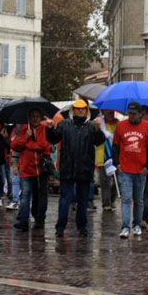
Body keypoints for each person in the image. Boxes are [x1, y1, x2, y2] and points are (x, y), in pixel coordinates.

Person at [47, 99, 105, 238]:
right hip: (68, 168)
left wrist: (98, 129)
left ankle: (82, 227)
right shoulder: (64, 124)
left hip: (85, 168)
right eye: (78, 109)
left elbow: (99, 141)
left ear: (87, 111)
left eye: (83, 109)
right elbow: (53, 139)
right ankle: (60, 227)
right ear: (73, 110)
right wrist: (49, 129)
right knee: (65, 199)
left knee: (83, 200)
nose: (80, 111)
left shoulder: (92, 126)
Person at [112, 102, 148, 238]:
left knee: (139, 200)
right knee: (126, 199)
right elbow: (115, 146)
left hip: (140, 170)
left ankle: (136, 224)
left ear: (140, 114)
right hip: (125, 169)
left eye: (134, 114)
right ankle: (125, 227)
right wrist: (116, 163)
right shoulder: (120, 126)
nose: (131, 116)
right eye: (129, 113)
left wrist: (147, 167)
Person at [11, 109, 51, 231]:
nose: (35, 119)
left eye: (37, 116)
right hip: (26, 169)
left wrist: (28, 145)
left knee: (41, 196)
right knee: (25, 195)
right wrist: (25, 138)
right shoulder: (24, 131)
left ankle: (40, 219)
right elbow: (14, 145)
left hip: (41, 169)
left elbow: (44, 146)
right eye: (33, 116)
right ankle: (23, 220)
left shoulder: (44, 130)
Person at [95, 109, 119, 211]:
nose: (111, 115)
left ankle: (112, 199)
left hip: (116, 156)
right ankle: (106, 204)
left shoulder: (118, 124)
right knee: (105, 182)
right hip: (102, 156)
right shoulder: (99, 123)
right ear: (104, 113)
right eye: (108, 113)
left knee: (118, 181)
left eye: (112, 112)